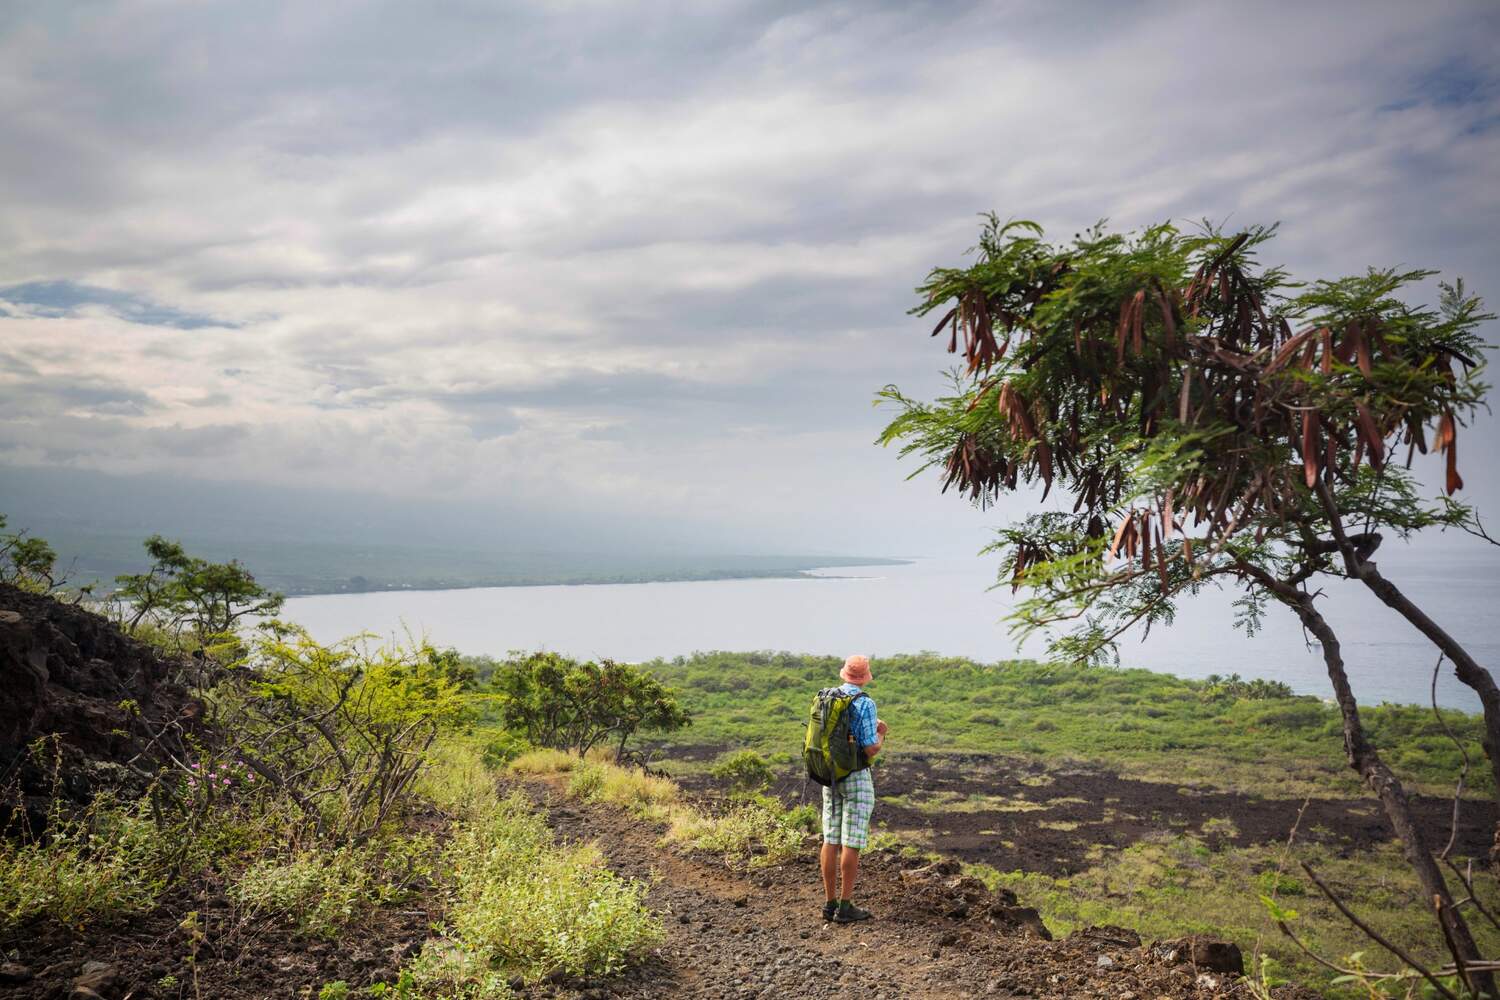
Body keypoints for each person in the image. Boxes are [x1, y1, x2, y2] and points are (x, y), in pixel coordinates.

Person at [820, 654, 887, 923]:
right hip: (856, 776)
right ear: (865, 676)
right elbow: (871, 747)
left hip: (830, 775)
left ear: (845, 674)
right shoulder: (865, 702)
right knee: (852, 841)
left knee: (830, 838)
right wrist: (882, 734)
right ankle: (845, 906)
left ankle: (829, 903)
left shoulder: (828, 698)